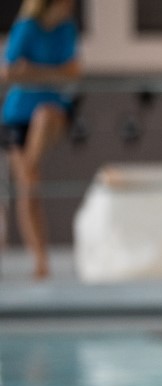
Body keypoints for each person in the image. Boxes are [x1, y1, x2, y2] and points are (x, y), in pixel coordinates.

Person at [1, 0, 79, 280]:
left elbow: (73, 71)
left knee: (29, 174)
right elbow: (8, 71)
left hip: (50, 113)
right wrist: (50, 73)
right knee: (28, 188)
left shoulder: (66, 30)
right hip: (16, 116)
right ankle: (40, 261)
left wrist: (32, 72)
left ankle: (30, 165)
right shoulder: (27, 28)